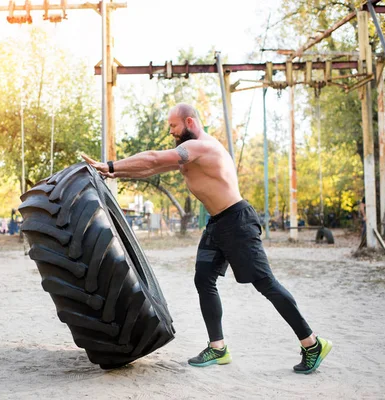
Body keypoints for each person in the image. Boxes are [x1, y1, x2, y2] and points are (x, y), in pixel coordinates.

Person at [82, 103, 332, 374]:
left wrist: (109, 164)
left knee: (265, 284)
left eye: (173, 126)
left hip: (237, 222)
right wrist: (113, 171)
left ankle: (312, 343)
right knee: (204, 279)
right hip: (218, 224)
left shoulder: (203, 147)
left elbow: (154, 158)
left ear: (189, 122)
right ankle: (218, 347)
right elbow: (151, 169)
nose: (171, 132)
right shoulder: (190, 154)